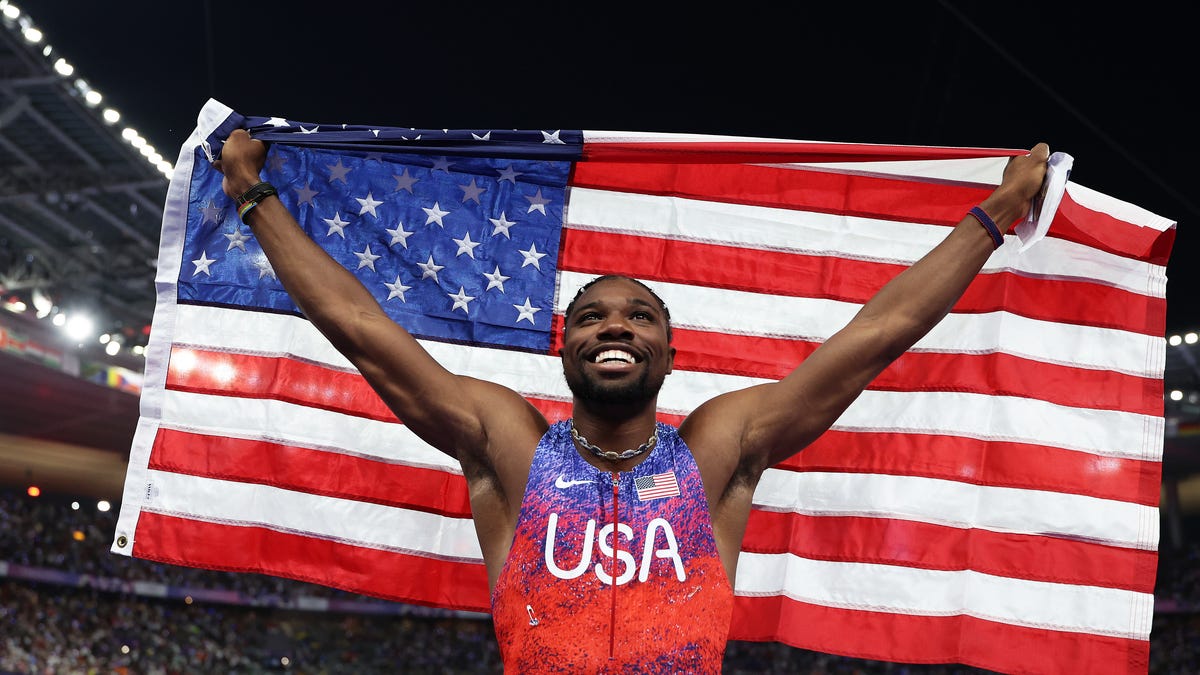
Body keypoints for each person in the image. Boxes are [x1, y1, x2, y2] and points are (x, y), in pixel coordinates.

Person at [215, 129, 1050, 673]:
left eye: (639, 315)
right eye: (591, 316)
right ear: (566, 346)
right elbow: (361, 326)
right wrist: (254, 197)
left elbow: (876, 334)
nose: (614, 325)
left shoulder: (719, 448)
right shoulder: (509, 448)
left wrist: (995, 216)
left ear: (669, 350)